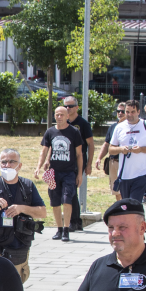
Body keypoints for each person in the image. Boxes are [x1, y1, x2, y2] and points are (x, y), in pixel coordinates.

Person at [0, 148, 46, 283]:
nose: (7, 165)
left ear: (19, 165)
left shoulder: (28, 186)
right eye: (4, 162)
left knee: (15, 289)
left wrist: (22, 208)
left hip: (20, 248)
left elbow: (42, 212)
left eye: (12, 162)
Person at [36, 106, 84, 242]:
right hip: (53, 172)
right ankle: (59, 229)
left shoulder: (74, 132)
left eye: (62, 114)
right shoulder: (50, 132)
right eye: (57, 114)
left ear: (67, 116)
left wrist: (79, 174)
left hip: (69, 172)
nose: (59, 117)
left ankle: (66, 229)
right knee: (55, 201)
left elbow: (79, 154)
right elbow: (44, 150)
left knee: (67, 199)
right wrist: (38, 167)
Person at [109, 100, 146, 202]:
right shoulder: (119, 127)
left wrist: (141, 149)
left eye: (133, 112)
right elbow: (111, 149)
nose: (129, 115)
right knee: (127, 205)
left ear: (138, 112)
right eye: (127, 112)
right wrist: (121, 149)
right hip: (124, 174)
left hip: (142, 172)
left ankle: (138, 217)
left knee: (135, 202)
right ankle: (140, 218)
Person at [62, 95, 94, 232]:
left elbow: (91, 144)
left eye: (70, 106)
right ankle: (75, 221)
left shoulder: (83, 123)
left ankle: (74, 221)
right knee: (69, 191)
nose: (67, 109)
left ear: (77, 107)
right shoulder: (62, 122)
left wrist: (89, 164)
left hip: (78, 161)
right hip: (63, 161)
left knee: (71, 191)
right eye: (65, 106)